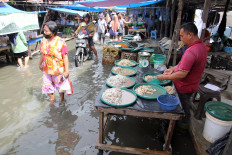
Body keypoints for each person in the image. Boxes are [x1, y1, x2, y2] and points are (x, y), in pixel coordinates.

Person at [157, 23, 207, 126]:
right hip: (192, 85)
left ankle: (183, 126)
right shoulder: (201, 46)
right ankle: (182, 123)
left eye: (182, 36)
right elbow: (184, 65)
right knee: (185, 104)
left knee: (183, 108)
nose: (181, 39)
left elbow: (182, 74)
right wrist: (172, 69)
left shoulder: (192, 51)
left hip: (184, 87)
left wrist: (165, 77)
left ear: (190, 35)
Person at [38, 21, 69, 104]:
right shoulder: (44, 41)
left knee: (60, 89)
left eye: (46, 31)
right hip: (47, 69)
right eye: (44, 30)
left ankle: (62, 101)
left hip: (58, 70)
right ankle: (52, 100)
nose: (44, 33)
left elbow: (65, 57)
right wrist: (40, 63)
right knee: (47, 87)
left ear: (54, 32)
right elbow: (42, 53)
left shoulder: (61, 42)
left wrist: (66, 71)